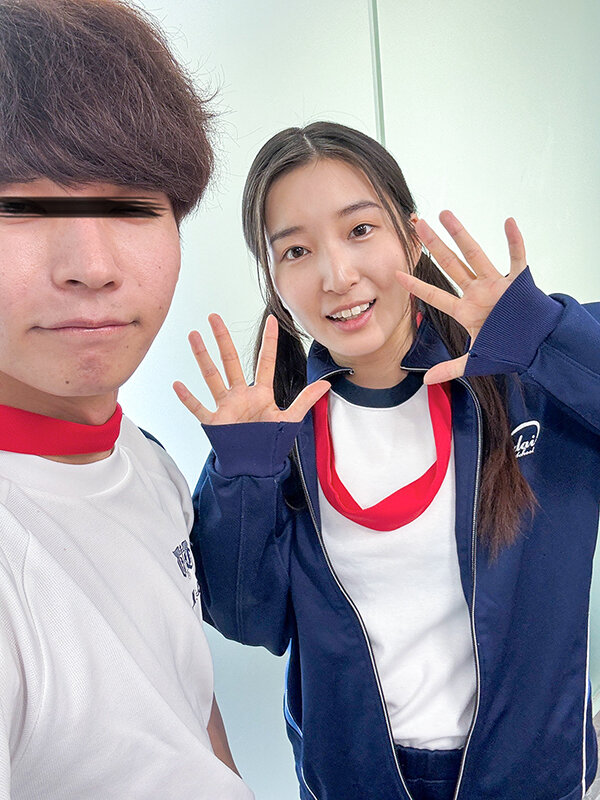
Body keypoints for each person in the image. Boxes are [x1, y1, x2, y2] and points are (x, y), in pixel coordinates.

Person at [175, 121, 600, 800]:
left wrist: (544, 336)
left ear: (409, 234)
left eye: (360, 230)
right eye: (296, 250)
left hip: (531, 779)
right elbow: (246, 619)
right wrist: (242, 475)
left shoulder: (530, 378)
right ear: (275, 281)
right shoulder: (276, 433)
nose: (337, 275)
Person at [0, 1, 254, 798]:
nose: (93, 266)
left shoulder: (146, 460)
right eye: (19, 207)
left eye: (131, 206)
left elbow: (187, 707)